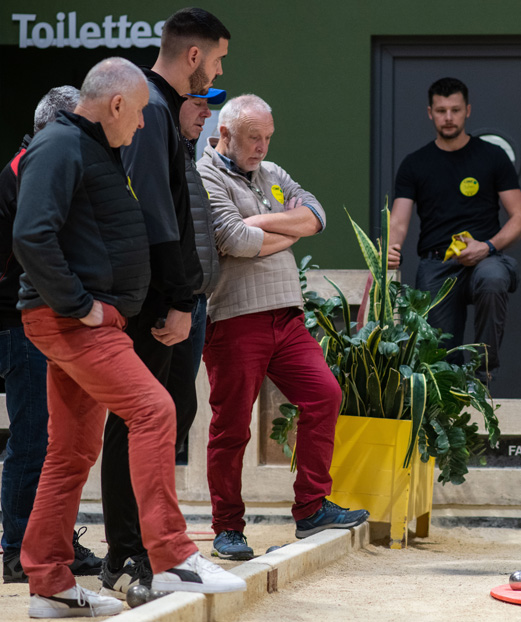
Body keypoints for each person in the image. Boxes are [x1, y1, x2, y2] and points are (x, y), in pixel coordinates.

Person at [13, 56, 245, 619]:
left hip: (86, 319)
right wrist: (80, 305)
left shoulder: (91, 147)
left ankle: (48, 583)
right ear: (116, 103)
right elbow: (30, 234)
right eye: (140, 112)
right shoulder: (60, 146)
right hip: (73, 322)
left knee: (71, 453)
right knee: (155, 411)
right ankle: (172, 554)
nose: (143, 124)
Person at [196, 94, 368, 560]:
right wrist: (287, 231)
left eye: (268, 138)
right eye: (254, 139)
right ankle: (227, 527)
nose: (263, 148)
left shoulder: (271, 174)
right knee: (231, 428)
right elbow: (232, 239)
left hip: (287, 316)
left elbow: (317, 215)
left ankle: (311, 509)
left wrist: (267, 224)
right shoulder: (206, 172)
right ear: (225, 134)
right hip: (234, 318)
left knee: (325, 394)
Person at [99, 7, 230, 597]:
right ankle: (130, 554)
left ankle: (143, 551)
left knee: (155, 421)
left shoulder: (160, 110)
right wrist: (178, 298)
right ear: (195, 55)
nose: (219, 72)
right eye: (219, 59)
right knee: (139, 423)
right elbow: (155, 218)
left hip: (160, 294)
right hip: (151, 300)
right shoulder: (151, 107)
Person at [0, 86, 105, 584]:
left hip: (42, 318)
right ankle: (22, 550)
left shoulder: (37, 164)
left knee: (52, 441)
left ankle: (47, 544)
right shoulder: (28, 169)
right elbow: (41, 246)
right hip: (21, 323)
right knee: (33, 440)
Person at [387, 77, 521, 381]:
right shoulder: (415, 164)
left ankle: (482, 371)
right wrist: (390, 248)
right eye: (441, 111)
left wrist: (488, 247)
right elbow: (399, 221)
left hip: (484, 256)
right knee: (439, 358)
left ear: (468, 110)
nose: (448, 117)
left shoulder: (492, 157)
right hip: (437, 263)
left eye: (455, 109)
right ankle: (452, 391)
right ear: (430, 113)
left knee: (493, 278)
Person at [175, 87, 227, 464]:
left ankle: (151, 518)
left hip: (196, 302)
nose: (206, 113)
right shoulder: (161, 153)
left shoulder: (187, 156)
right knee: (162, 413)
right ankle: (135, 522)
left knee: (181, 410)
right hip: (173, 303)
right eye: (198, 104)